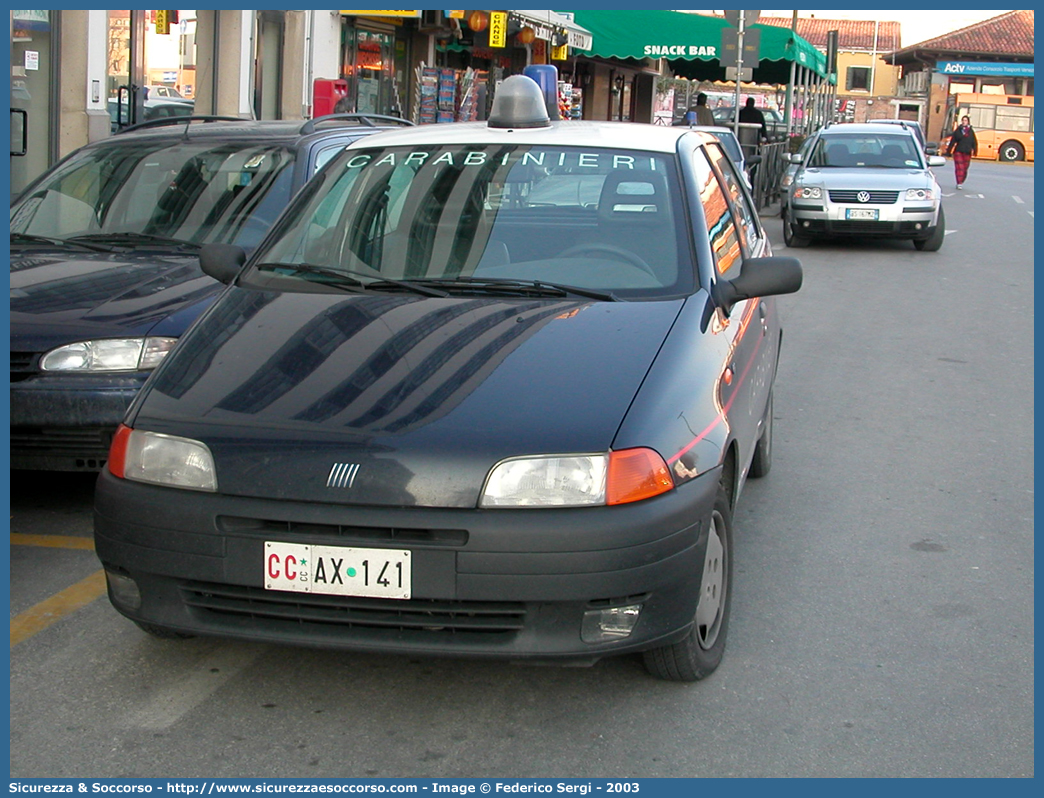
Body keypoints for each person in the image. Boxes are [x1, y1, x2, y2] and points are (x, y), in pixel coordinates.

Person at [945, 115, 978, 189]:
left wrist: (975, 151)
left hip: (967, 152)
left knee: (965, 168)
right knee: (960, 167)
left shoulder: (971, 131)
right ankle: (959, 182)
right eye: (963, 120)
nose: (964, 122)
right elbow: (953, 141)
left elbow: (974, 142)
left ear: (968, 122)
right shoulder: (958, 131)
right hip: (958, 151)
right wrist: (948, 151)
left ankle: (962, 180)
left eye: (965, 120)